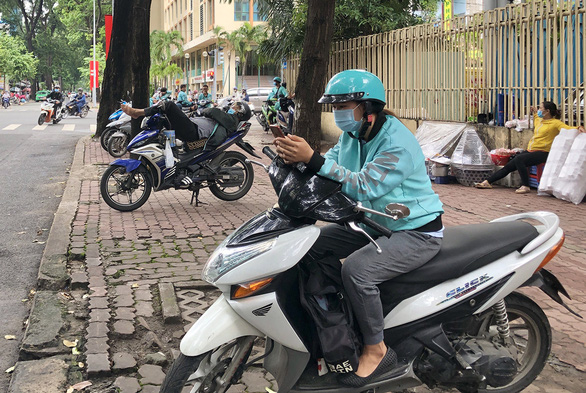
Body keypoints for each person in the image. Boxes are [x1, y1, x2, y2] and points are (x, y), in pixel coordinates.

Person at [274, 69, 444, 387]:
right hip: (375, 222)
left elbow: (364, 186)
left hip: (414, 230)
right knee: (310, 246)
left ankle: (376, 348)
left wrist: (312, 158)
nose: (338, 113)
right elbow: (330, 166)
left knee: (357, 270)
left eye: (344, 106)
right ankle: (335, 323)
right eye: (335, 107)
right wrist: (295, 160)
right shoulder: (353, 136)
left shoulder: (397, 143)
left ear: (367, 108)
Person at [475, 101, 585, 193]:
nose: (540, 110)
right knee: (510, 165)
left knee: (519, 159)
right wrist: (535, 111)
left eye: (541, 108)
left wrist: (578, 127)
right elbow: (537, 116)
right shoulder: (540, 121)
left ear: (547, 111)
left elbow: (567, 128)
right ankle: (488, 182)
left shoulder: (555, 123)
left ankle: (525, 186)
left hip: (543, 152)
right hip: (531, 150)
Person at [120, 99, 251, 153]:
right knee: (165, 120)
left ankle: (137, 113)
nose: (233, 108)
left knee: (169, 105)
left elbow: (212, 111)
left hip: (194, 132)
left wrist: (203, 111)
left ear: (241, 113)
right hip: (192, 127)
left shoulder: (231, 120)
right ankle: (171, 150)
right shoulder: (228, 118)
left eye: (237, 107)